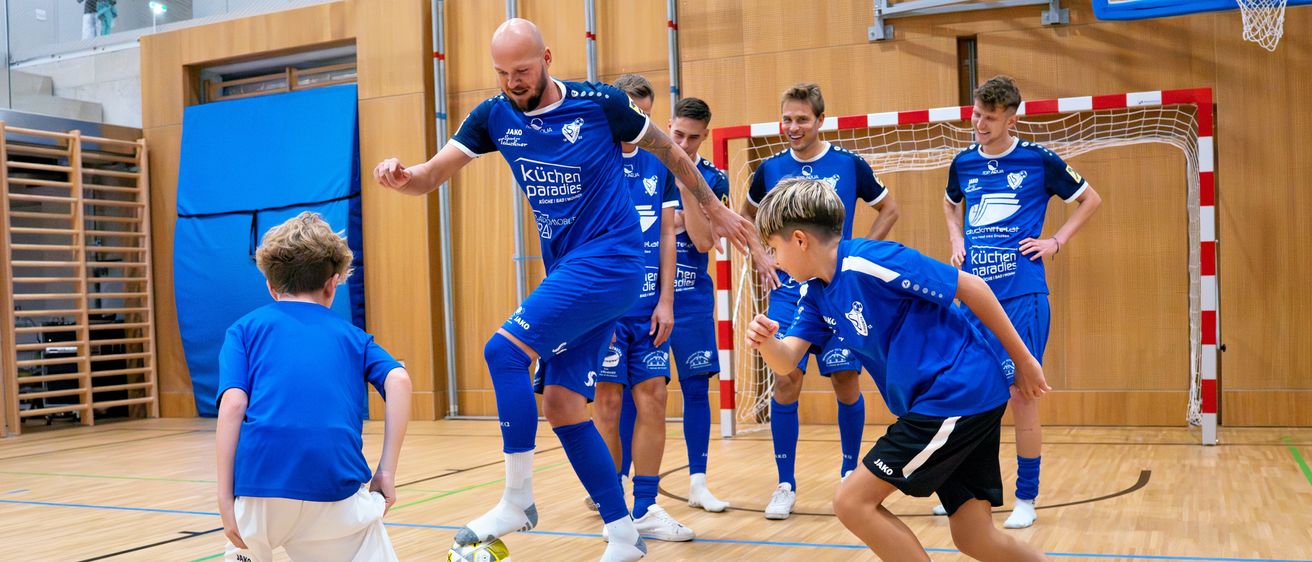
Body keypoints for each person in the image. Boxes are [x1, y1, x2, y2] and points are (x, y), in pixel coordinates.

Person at [372, 19, 758, 562]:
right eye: (503, 72)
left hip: (615, 259)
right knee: (559, 402)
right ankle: (624, 536)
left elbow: (669, 148)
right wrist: (399, 175)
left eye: (523, 70)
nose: (513, 81)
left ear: (547, 58)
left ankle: (517, 499)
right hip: (572, 272)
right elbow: (430, 176)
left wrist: (713, 205)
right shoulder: (492, 116)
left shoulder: (600, 104)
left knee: (502, 352)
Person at [746, 178, 1050, 562]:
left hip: (954, 394)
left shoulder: (871, 261)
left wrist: (1024, 360)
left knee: (852, 501)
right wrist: (767, 343)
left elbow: (972, 288)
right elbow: (787, 360)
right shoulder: (816, 293)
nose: (775, 261)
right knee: (974, 537)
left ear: (801, 240)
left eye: (775, 249)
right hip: (956, 400)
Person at [938, 75, 1102, 528]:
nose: (979, 125)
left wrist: (1055, 241)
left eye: (990, 118)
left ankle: (1026, 496)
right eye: (976, 115)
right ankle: (960, 488)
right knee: (963, 390)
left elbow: (1090, 198)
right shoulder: (963, 162)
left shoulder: (1038, 160)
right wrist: (955, 239)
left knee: (1021, 395)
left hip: (1022, 295)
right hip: (973, 294)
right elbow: (950, 202)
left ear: (1012, 118)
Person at [741, 83, 899, 520]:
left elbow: (889, 209)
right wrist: (762, 255)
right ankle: (785, 484)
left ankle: (850, 472)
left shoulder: (849, 165)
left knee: (846, 378)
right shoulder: (769, 170)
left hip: (836, 290)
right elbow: (747, 216)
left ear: (820, 121)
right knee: (786, 377)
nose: (793, 127)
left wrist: (857, 254)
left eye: (802, 119)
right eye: (787, 118)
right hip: (789, 293)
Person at [215, 212, 412, 562]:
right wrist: (386, 471)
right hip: (335, 489)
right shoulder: (355, 339)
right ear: (332, 284)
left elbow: (232, 405)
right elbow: (398, 380)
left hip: (261, 489)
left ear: (272, 287)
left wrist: (224, 496)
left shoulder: (244, 330)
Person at [590, 73, 697, 542]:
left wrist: (668, 301)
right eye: (630, 109)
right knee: (608, 405)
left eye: (644, 111)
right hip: (605, 310)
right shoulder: (592, 161)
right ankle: (613, 507)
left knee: (654, 399)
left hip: (651, 308)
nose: (637, 119)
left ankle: (647, 508)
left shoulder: (659, 165)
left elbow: (669, 236)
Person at [665, 96, 731, 513]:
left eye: (692, 138)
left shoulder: (714, 179)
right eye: (677, 135)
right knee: (639, 390)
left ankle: (698, 482)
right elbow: (650, 227)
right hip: (643, 295)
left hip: (691, 297)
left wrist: (687, 180)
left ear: (704, 136)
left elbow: (704, 239)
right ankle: (620, 479)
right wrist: (679, 221)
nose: (684, 143)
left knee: (695, 389)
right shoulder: (640, 164)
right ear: (667, 126)